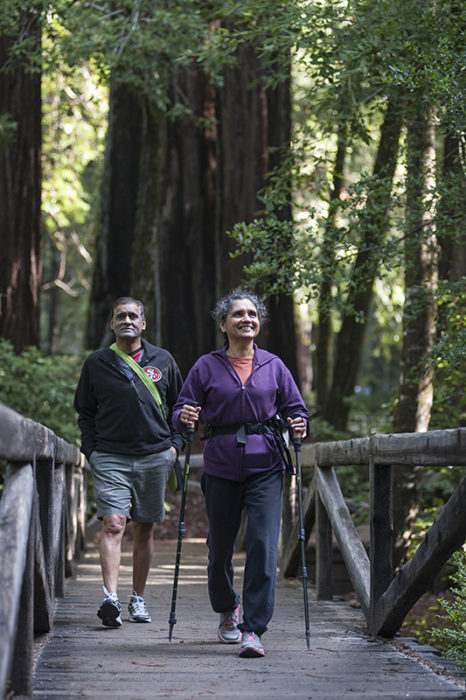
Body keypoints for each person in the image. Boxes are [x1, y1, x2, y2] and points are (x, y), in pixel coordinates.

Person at [172, 290, 308, 658]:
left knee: (263, 547)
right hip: (220, 467)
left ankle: (254, 629)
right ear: (223, 324)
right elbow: (183, 405)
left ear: (258, 323)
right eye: (237, 314)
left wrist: (299, 424)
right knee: (219, 549)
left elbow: (297, 409)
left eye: (252, 314)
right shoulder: (206, 366)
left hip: (267, 466)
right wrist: (183, 416)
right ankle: (226, 607)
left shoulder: (274, 366)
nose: (246, 319)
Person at [74, 296, 184, 627]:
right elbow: (85, 413)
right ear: (111, 323)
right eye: (120, 316)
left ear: (143, 323)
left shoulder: (162, 360)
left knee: (145, 528)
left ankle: (138, 598)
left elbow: (180, 409)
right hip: (110, 456)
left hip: (155, 455)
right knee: (113, 523)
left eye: (133, 316)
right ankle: (111, 598)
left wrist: (174, 449)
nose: (127, 320)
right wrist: (91, 450)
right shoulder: (97, 363)